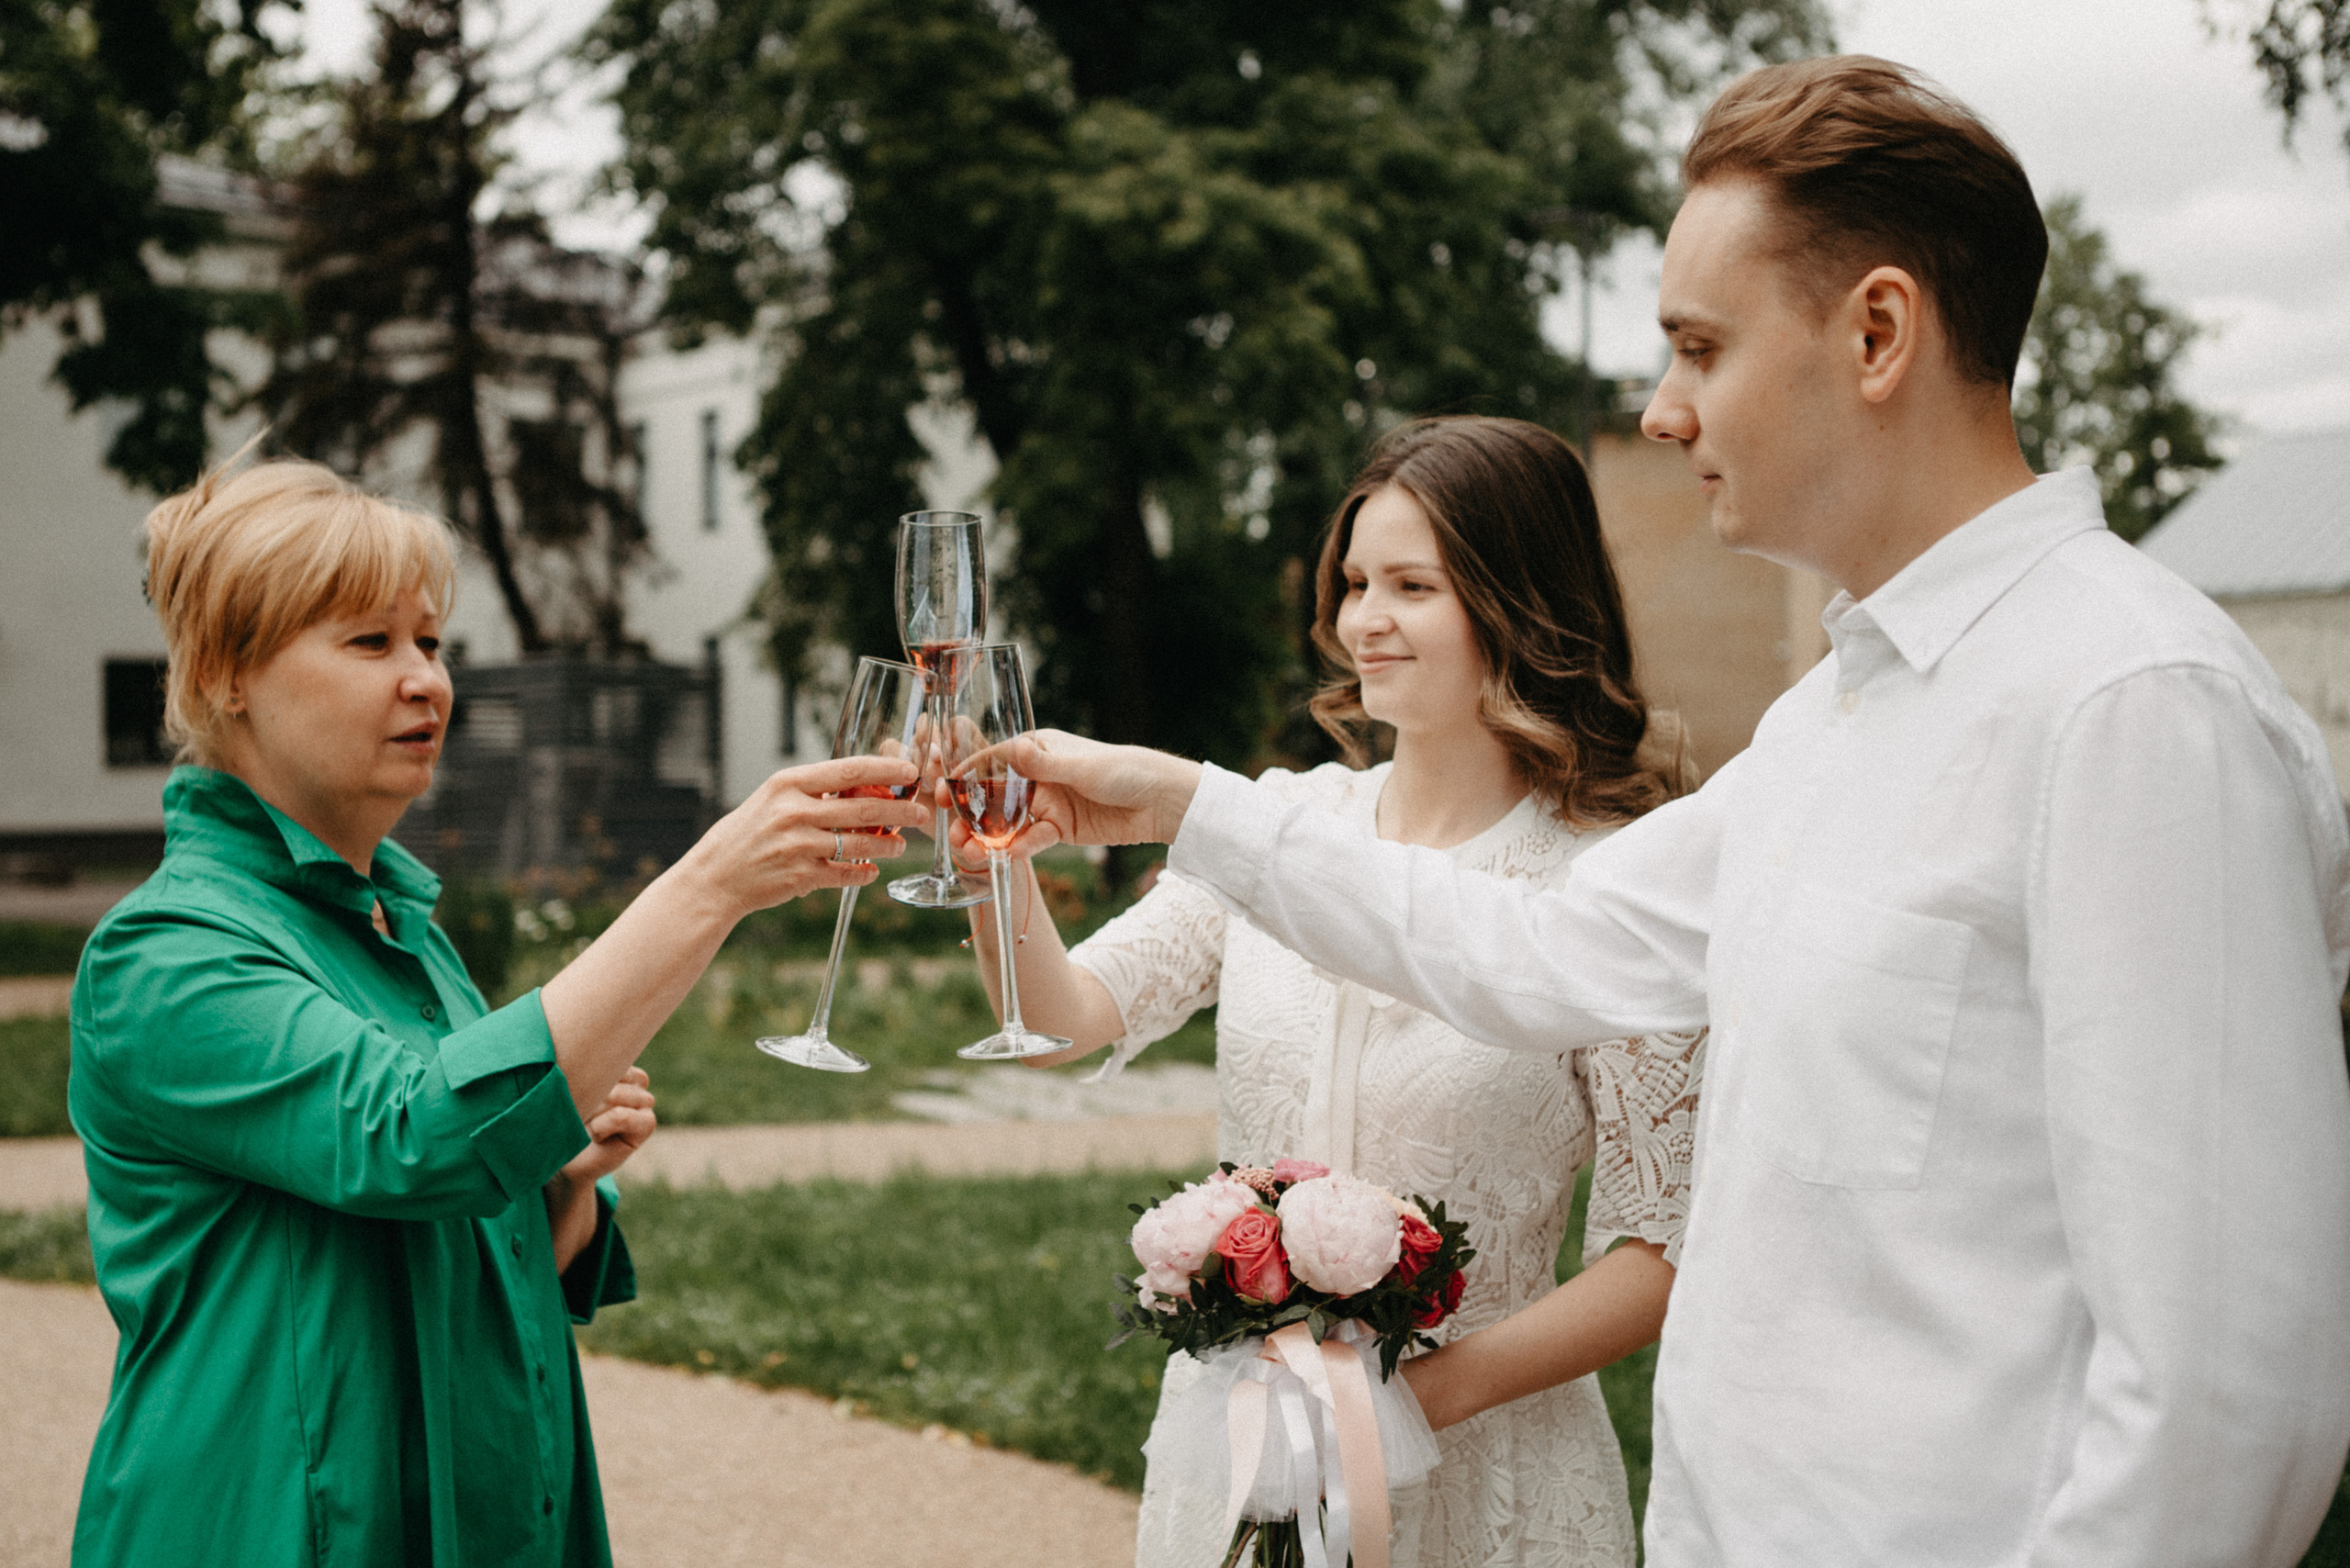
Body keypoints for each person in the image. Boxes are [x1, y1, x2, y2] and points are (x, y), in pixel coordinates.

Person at [987, 56, 2350, 1568]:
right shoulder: (1831, 720)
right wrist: (1184, 805)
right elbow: (1534, 945)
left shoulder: (2134, 704)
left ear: (1878, 332)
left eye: (1700, 345)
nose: (1660, 405)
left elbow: (2231, 1394)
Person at [67, 457, 926, 1567]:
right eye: (371, 643)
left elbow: (463, 1203)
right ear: (229, 674)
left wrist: (558, 1188)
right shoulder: (167, 955)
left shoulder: (400, 932)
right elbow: (416, 1138)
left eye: (430, 642)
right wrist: (710, 880)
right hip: (272, 1525)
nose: (426, 679)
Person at [955, 415, 1705, 1566]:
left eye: (1413, 584)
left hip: (1492, 1469)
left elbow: (1655, 1256)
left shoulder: (1609, 885)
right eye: (1355, 580)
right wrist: (989, 870)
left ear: (1518, 603)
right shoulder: (1280, 828)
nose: (1364, 619)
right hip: (1245, 1447)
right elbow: (1064, 1019)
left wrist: (1396, 1410)